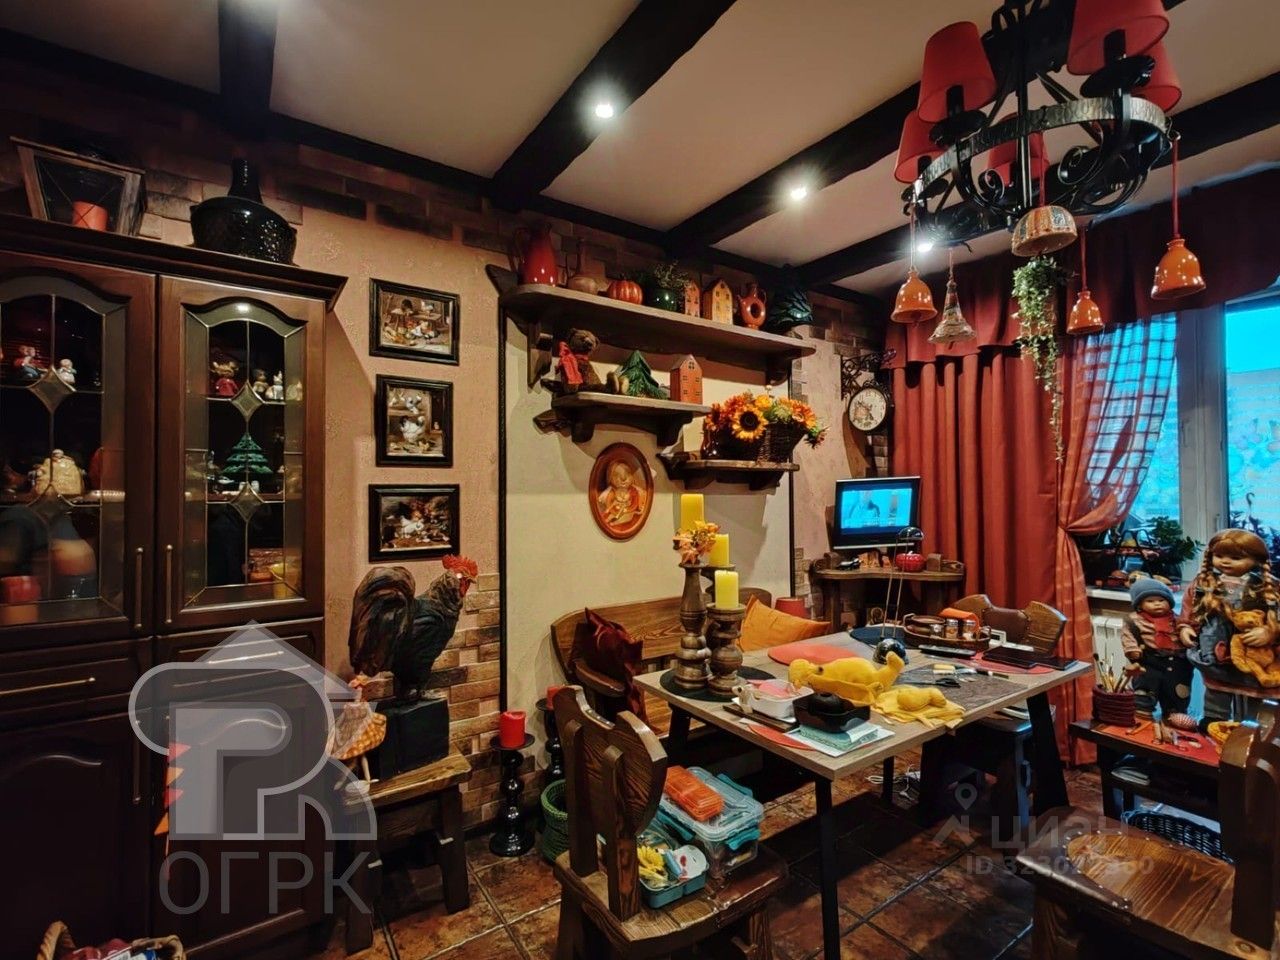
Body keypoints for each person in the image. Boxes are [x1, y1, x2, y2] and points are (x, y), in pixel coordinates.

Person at [1180, 528, 1280, 724]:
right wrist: (1185, 627)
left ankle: (1252, 734)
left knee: (1256, 706)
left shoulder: (1267, 586)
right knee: (1216, 697)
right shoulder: (1204, 584)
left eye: (1235, 558)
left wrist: (1269, 631)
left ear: (1256, 559)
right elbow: (1189, 608)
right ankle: (1213, 728)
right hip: (1216, 655)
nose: (1225, 562)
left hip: (1254, 656)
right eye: (1219, 556)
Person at [1121, 578, 1196, 729]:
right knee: (1145, 691)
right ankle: (1143, 715)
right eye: (1150, 601)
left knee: (1177, 693)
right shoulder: (1133, 620)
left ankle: (1173, 717)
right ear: (1139, 605)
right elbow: (1127, 636)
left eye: (1162, 600)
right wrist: (1132, 650)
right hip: (1149, 662)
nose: (1157, 604)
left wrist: (1188, 638)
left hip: (1178, 663)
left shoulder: (1177, 619)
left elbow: (1187, 631)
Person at [597, 460, 645, 528]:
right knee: (608, 517)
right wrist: (613, 511)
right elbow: (608, 503)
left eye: (627, 474)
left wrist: (628, 510)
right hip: (614, 511)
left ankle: (614, 523)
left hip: (627, 512)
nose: (623, 479)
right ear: (610, 478)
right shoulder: (612, 492)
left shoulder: (634, 491)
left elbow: (635, 503)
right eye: (616, 475)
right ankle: (608, 521)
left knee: (627, 517)